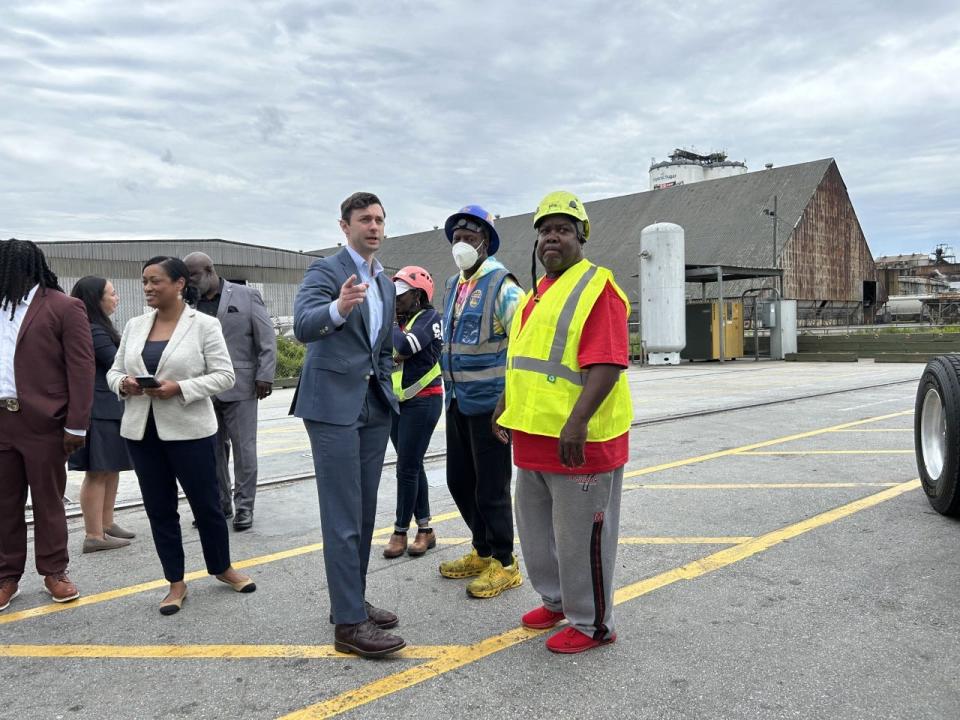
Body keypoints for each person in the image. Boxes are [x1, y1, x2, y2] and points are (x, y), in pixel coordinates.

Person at [494, 191, 633, 654]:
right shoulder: (537, 294)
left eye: (563, 229)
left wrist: (577, 423)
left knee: (582, 539)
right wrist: (504, 401)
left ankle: (593, 623)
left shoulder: (599, 288)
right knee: (537, 533)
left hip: (580, 441)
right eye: (545, 230)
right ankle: (556, 600)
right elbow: (526, 360)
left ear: (581, 237)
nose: (551, 237)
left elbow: (608, 364)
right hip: (534, 440)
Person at [107, 256, 255, 616]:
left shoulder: (203, 325)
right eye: (144, 281)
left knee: (207, 506)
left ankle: (222, 567)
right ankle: (175, 581)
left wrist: (181, 387)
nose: (148, 288)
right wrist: (124, 384)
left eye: (155, 281)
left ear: (178, 284)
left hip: (191, 432)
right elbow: (113, 371)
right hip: (143, 433)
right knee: (160, 509)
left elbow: (224, 376)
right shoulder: (135, 326)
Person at [291, 191, 404, 658]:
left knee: (361, 513)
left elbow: (380, 344)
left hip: (373, 404)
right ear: (345, 226)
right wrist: (338, 309)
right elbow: (303, 325)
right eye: (364, 220)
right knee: (341, 517)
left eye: (379, 220)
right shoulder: (327, 271)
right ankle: (349, 625)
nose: (374, 227)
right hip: (334, 405)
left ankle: (350, 602)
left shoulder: (385, 282)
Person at [0, 239, 94, 612]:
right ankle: (7, 576)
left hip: (43, 421)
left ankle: (54, 570)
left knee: (47, 501)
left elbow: (81, 368)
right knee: (4, 504)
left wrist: (77, 425)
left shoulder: (63, 307)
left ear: (25, 268)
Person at [438, 205, 525, 598]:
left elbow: (523, 347)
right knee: (460, 481)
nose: (462, 243)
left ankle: (505, 563)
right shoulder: (454, 286)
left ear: (485, 242)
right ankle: (482, 548)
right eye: (456, 236)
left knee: (492, 486)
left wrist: (510, 404)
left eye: (470, 236)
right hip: (457, 400)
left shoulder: (504, 288)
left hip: (492, 406)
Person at [184, 252, 277, 531]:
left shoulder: (246, 296)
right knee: (212, 451)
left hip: (243, 385)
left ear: (210, 270)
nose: (190, 282)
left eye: (194, 276)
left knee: (244, 449)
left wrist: (265, 375)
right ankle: (221, 504)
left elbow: (267, 337)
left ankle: (245, 507)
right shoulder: (189, 303)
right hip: (203, 387)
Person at [68, 276, 136, 553]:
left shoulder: (98, 327)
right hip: (98, 409)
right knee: (97, 471)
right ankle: (93, 534)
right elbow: (118, 363)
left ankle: (106, 523)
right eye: (112, 293)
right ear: (96, 299)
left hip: (110, 406)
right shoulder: (93, 330)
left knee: (111, 467)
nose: (116, 298)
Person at [382, 266, 443, 559]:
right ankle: (426, 529)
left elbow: (405, 346)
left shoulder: (429, 318)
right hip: (399, 401)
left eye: (400, 296)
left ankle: (399, 531)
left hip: (424, 400)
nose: (395, 301)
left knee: (405, 467)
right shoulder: (404, 321)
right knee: (412, 464)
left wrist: (392, 325)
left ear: (418, 296)